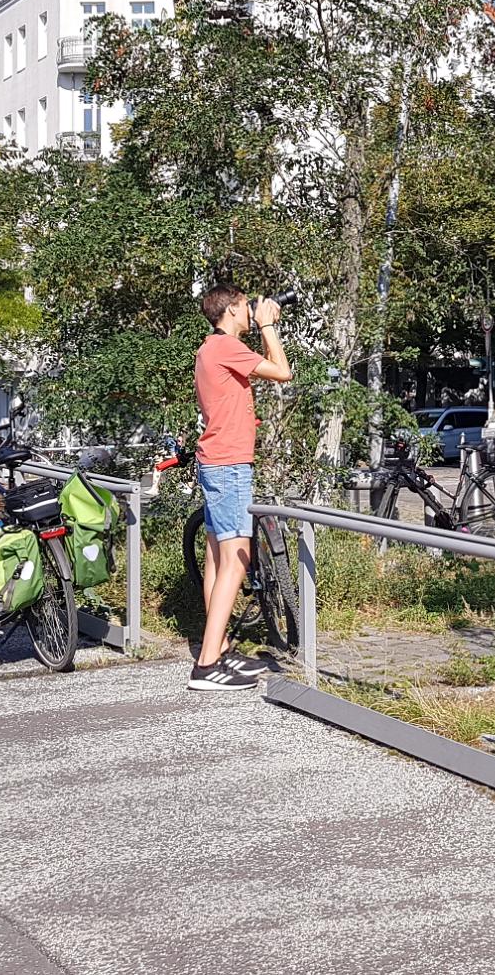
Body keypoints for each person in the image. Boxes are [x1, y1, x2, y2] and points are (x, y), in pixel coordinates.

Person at [188, 283, 292, 692]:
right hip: (230, 464)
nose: (251, 311)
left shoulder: (209, 349)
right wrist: (268, 326)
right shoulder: (226, 346)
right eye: (247, 306)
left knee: (217, 559)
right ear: (231, 310)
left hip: (216, 461)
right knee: (237, 559)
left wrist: (264, 322)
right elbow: (282, 371)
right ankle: (207, 664)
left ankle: (220, 647)